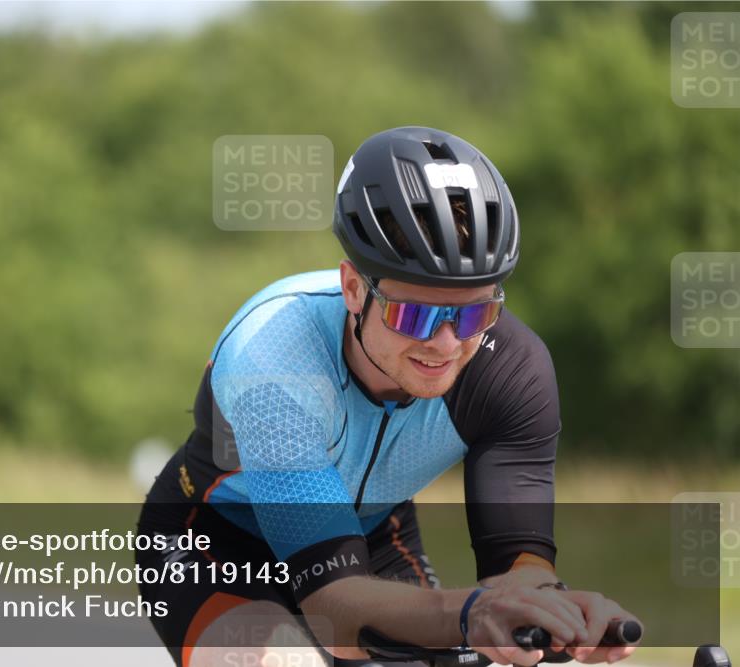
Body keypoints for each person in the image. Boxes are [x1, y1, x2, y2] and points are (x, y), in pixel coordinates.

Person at [136, 127, 639, 667]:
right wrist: (470, 615)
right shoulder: (275, 359)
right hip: (218, 546)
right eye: (415, 314)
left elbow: (517, 562)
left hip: (372, 538)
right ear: (353, 288)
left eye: (472, 314)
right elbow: (335, 606)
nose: (445, 343)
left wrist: (560, 615)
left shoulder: (511, 368)